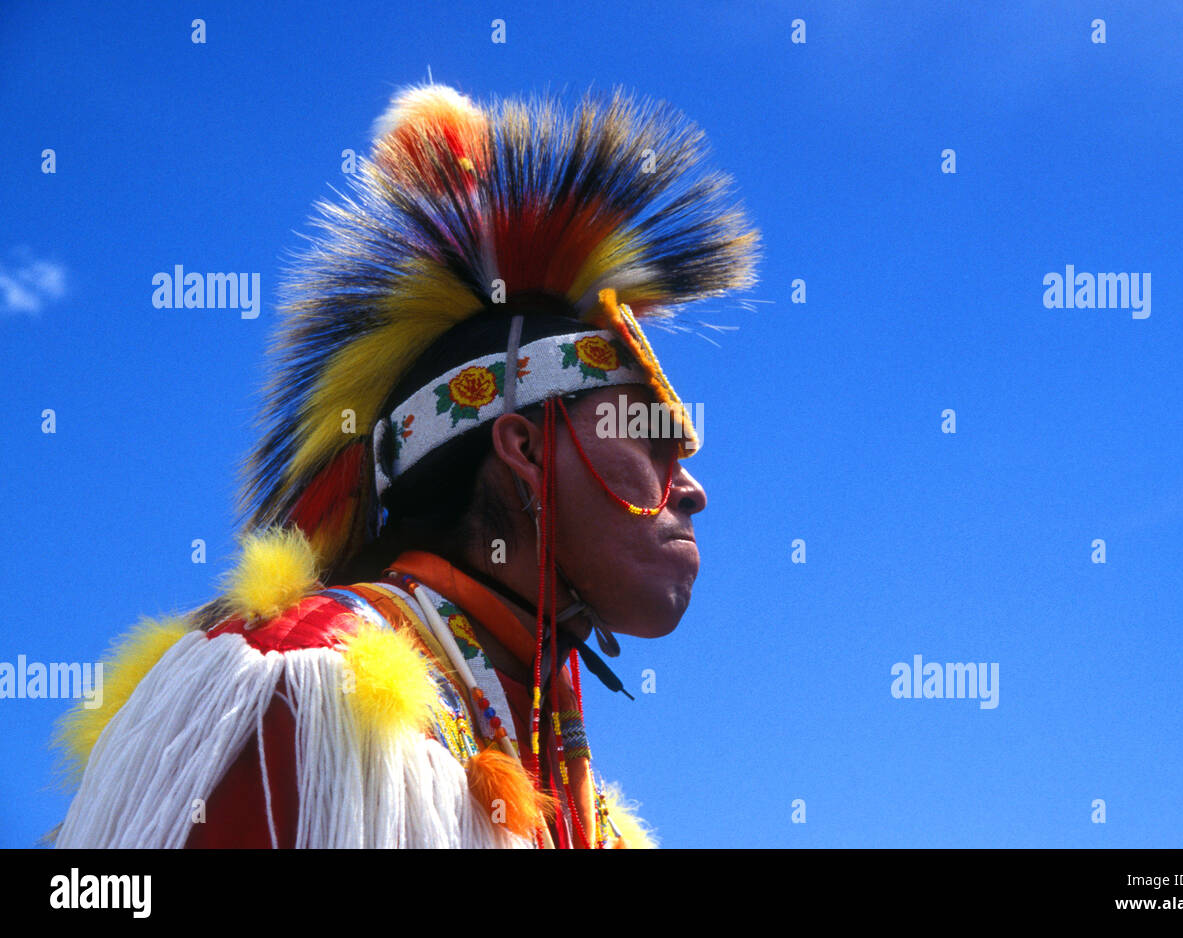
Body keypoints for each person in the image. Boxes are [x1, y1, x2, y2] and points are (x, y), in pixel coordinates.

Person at [52, 80, 759, 848]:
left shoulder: (575, 795)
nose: (691, 489)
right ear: (522, 451)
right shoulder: (302, 681)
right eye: (647, 436)